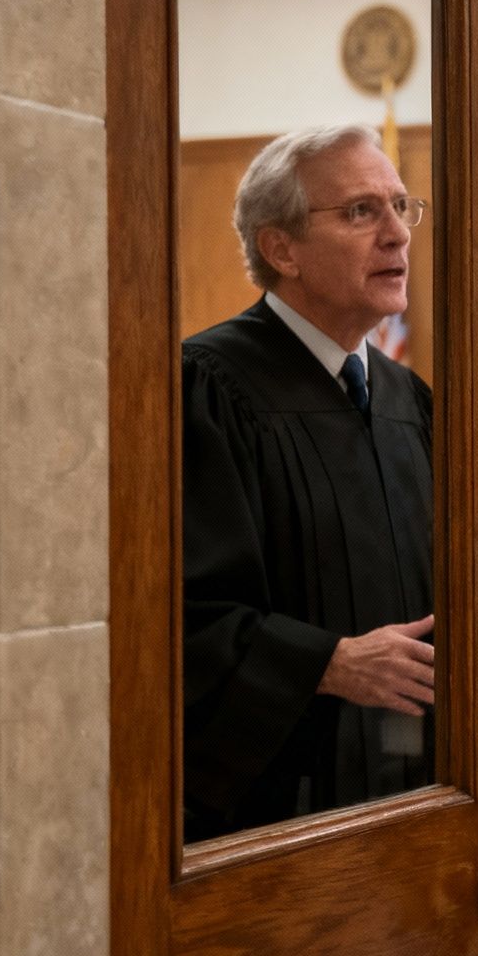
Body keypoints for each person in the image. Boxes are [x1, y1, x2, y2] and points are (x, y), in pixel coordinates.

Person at [181, 124, 438, 841]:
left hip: (417, 789)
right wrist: (325, 663)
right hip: (277, 809)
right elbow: (176, 612)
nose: (397, 235)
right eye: (361, 211)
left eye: (401, 206)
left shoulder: (404, 400)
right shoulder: (207, 388)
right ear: (280, 248)